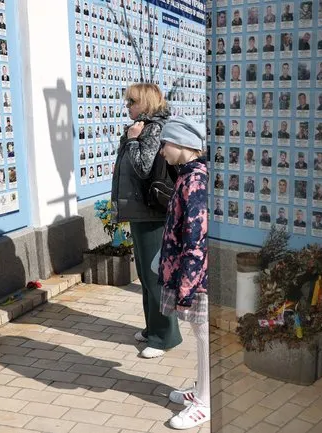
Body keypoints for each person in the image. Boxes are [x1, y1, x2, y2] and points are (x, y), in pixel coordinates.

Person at [110, 83, 182, 359]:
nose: (127, 106)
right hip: (139, 210)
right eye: (127, 101)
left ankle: (165, 336)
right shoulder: (142, 126)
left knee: (155, 276)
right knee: (144, 272)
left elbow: (143, 167)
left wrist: (132, 140)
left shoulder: (154, 129)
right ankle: (152, 327)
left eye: (132, 101)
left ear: (147, 103)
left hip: (152, 211)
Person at [153, 116, 210, 429]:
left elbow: (196, 237)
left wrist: (187, 285)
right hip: (190, 275)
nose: (162, 151)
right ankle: (202, 390)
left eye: (165, 143)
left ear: (183, 145)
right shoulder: (186, 176)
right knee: (199, 334)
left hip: (196, 278)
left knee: (203, 335)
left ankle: (206, 402)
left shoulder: (195, 180)